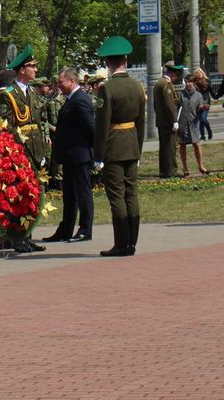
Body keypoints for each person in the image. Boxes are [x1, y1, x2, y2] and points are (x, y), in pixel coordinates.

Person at [93, 36, 145, 256]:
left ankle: (121, 243)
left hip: (113, 148)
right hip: (132, 145)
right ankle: (132, 242)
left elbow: (102, 124)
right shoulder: (137, 86)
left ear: (108, 63)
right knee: (131, 194)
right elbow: (141, 122)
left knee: (117, 196)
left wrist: (98, 155)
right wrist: (138, 149)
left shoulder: (107, 88)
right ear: (125, 60)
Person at [0, 45, 47, 253]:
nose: (35, 69)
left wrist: (42, 152)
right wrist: (12, 155)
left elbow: (38, 123)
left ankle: (28, 236)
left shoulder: (32, 92)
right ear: (22, 70)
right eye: (32, 66)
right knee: (17, 196)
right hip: (18, 151)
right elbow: (5, 127)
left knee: (32, 195)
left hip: (34, 150)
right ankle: (17, 238)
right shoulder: (8, 95)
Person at [42, 67, 95, 243]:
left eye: (61, 82)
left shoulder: (80, 100)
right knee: (70, 195)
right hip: (70, 156)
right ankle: (65, 230)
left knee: (83, 193)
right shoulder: (71, 99)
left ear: (72, 81)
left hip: (80, 155)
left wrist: (94, 151)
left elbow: (91, 128)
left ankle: (85, 229)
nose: (58, 85)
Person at [154, 62, 184, 178]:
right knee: (170, 147)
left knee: (164, 147)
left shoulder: (158, 83)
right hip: (168, 122)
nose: (176, 76)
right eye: (176, 73)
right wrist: (174, 120)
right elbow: (169, 104)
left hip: (162, 120)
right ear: (172, 73)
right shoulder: (166, 84)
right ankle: (171, 171)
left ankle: (163, 171)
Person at [177, 74, 209, 176]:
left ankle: (201, 166)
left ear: (194, 83)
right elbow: (176, 108)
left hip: (193, 124)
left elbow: (199, 108)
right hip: (182, 123)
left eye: (190, 82)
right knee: (182, 145)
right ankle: (185, 168)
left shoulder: (198, 95)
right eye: (186, 82)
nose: (188, 84)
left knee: (196, 144)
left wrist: (203, 108)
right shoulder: (180, 94)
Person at [193, 69, 213, 141]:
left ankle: (209, 131)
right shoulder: (194, 82)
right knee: (200, 120)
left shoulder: (207, 81)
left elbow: (211, 90)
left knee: (203, 119)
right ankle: (202, 136)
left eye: (200, 73)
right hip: (198, 102)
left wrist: (215, 97)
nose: (198, 74)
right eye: (197, 73)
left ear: (202, 73)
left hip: (206, 102)